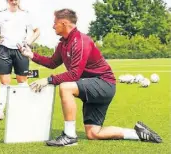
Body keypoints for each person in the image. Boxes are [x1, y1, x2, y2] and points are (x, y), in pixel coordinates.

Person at [18, 8, 162, 146]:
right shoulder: (63, 44)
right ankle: (138, 133)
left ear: (64, 23)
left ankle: (69, 136)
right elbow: (52, 62)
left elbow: (74, 74)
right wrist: (31, 55)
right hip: (91, 85)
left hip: (104, 84)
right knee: (93, 133)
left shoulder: (81, 41)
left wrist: (48, 80)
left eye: (55, 22)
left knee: (65, 87)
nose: (52, 26)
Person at [0, 0, 40, 120]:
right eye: (11, 0)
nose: (14, 2)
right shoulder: (1, 14)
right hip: (4, 50)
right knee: (5, 82)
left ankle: (22, 108)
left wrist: (29, 42)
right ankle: (1, 111)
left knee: (22, 81)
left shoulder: (26, 14)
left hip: (21, 51)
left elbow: (37, 31)